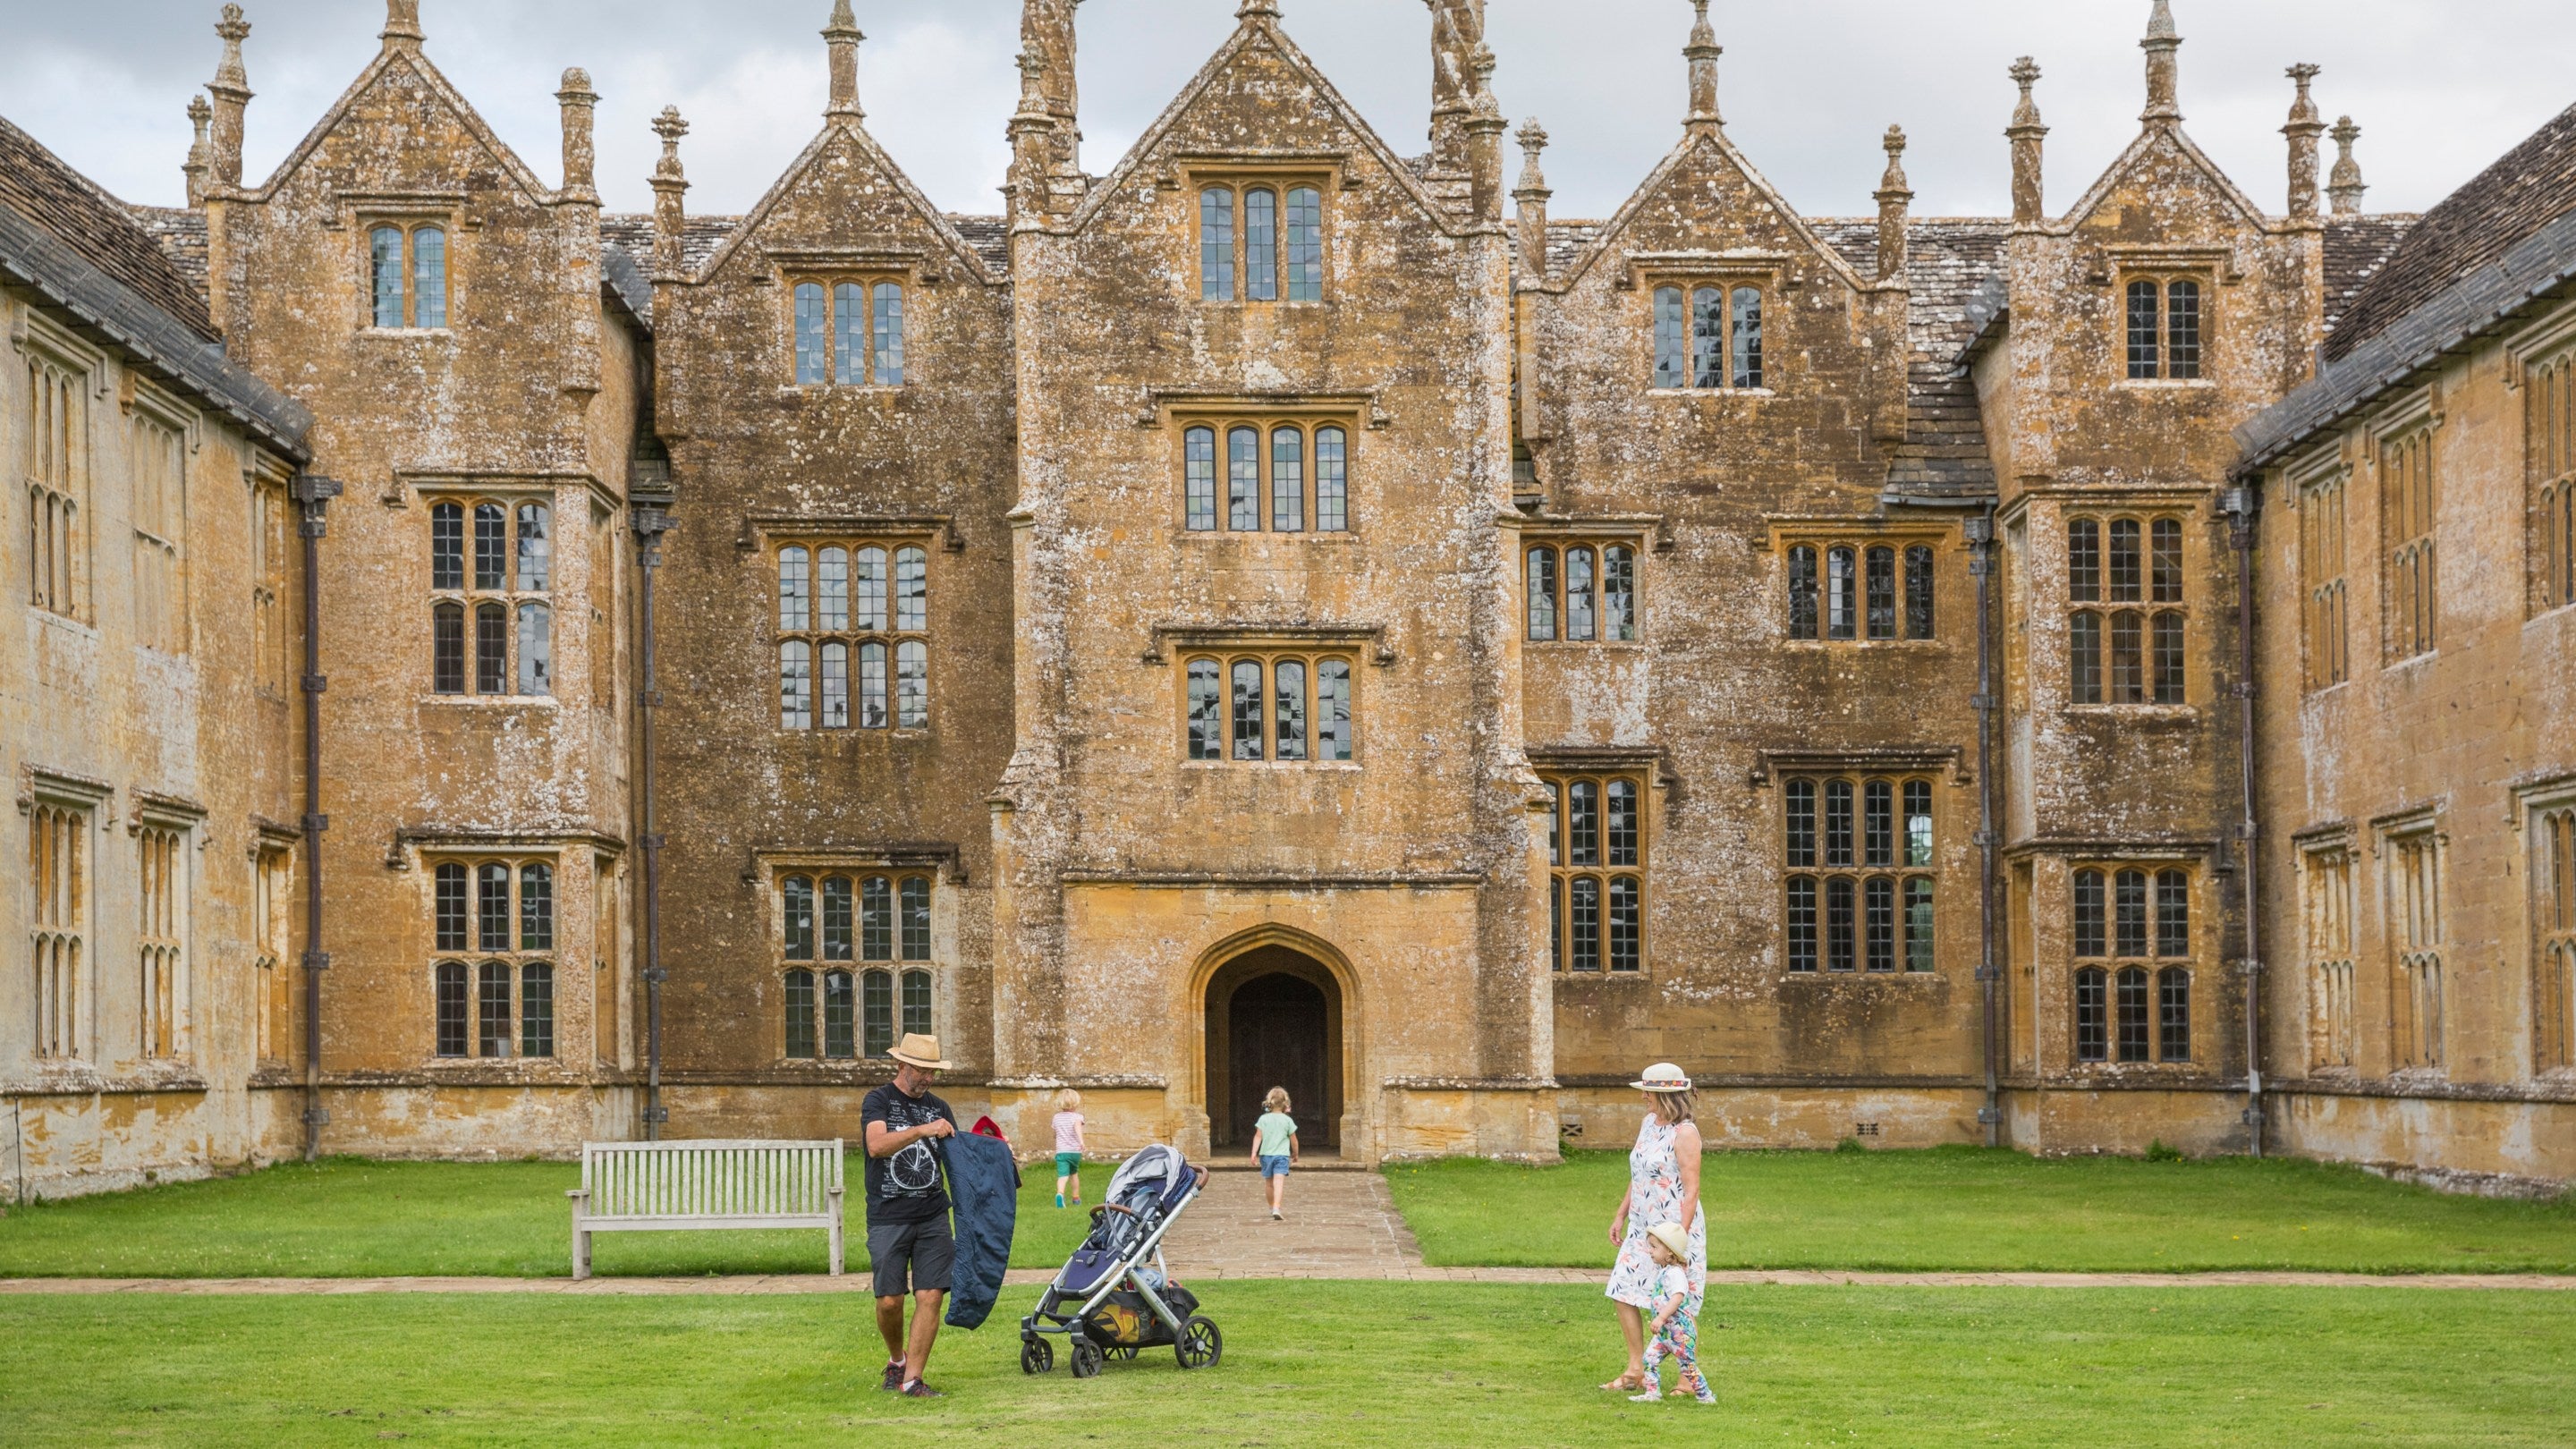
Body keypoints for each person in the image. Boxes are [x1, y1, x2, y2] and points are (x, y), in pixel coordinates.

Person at [864, 1033, 959, 1399]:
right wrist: (922, 1130)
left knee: (931, 1294)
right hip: (888, 1214)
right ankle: (896, 1360)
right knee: (889, 1300)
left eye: (933, 1071)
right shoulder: (878, 1101)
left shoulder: (941, 1106)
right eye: (922, 1070)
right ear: (902, 1065)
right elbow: (876, 1146)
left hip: (933, 1213)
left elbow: (957, 1156)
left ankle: (912, 1380)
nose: (928, 1078)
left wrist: (996, 1155)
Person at [1602, 1063, 1706, 1394]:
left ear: (1665, 1094)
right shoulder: (1648, 1124)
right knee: (1622, 1289)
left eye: (1648, 1091)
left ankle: (1687, 1378)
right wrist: (1620, 1215)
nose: (1643, 1096)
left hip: (1673, 1229)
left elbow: (1691, 1191)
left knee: (1676, 1301)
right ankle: (1636, 1370)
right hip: (1641, 1227)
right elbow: (1638, 1175)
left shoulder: (1685, 1133)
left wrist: (1679, 1241)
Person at [1630, 1222, 1715, 1404]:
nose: (1650, 1251)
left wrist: (1660, 1317)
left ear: (1669, 1252)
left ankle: (1705, 1395)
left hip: (1680, 1333)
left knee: (1687, 1366)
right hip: (1665, 1333)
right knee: (1650, 1358)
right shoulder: (1664, 1272)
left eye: (1654, 1247)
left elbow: (1677, 1298)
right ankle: (1653, 1393)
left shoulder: (1676, 1274)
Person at [1250, 1087, 1299, 1222]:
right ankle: (1277, 1207)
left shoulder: (1263, 1119)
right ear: (1285, 1103)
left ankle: (1272, 1207)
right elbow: (1293, 1140)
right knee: (1279, 1182)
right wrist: (1295, 1154)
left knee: (1269, 1184)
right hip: (1282, 1156)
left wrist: (1254, 1152)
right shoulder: (1287, 1120)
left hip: (1266, 1155)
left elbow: (1258, 1137)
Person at [1050, 1088, 1086, 1209]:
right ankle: (1076, 1198)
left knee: (1063, 1176)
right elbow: (1077, 1129)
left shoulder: (1056, 1118)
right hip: (1075, 1151)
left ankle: (1060, 1193)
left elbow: (1055, 1134)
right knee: (1074, 1174)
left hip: (1061, 1151)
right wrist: (1081, 1142)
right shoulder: (1077, 1117)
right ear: (1076, 1102)